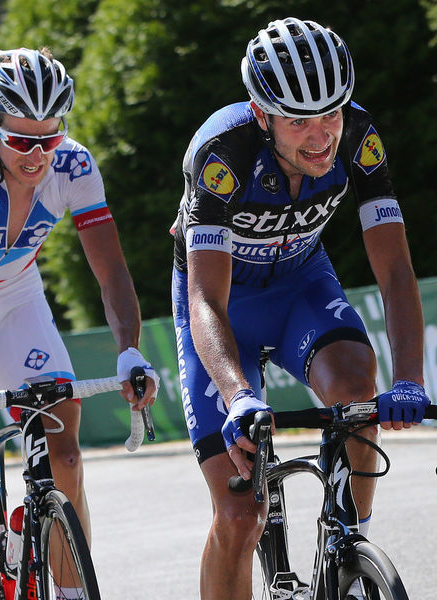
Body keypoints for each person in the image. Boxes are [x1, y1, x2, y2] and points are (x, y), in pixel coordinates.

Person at [170, 17, 430, 600]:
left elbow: (393, 271)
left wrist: (410, 379)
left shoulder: (360, 135)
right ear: (262, 115)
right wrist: (238, 395)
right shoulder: (222, 152)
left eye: (330, 114)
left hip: (300, 288)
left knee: (356, 385)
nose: (321, 138)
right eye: (298, 121)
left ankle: (349, 547)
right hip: (221, 308)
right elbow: (206, 298)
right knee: (239, 516)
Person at [0, 47, 159, 600]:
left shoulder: (76, 166)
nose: (38, 154)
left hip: (16, 295)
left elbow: (110, 271)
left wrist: (129, 351)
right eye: (22, 140)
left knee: (63, 451)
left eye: (50, 136)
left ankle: (64, 585)